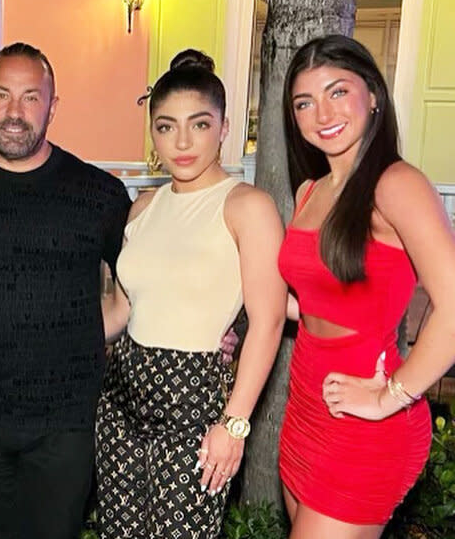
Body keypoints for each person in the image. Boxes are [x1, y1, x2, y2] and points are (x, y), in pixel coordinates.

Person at [0, 42, 132, 539]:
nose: (14, 113)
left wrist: (215, 330)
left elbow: (149, 285)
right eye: (1, 95)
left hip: (68, 418)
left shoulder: (97, 194)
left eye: (31, 97)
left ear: (53, 106)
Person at [97, 50, 286, 538]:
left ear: (224, 128)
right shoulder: (142, 207)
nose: (181, 142)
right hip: (121, 396)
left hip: (196, 399)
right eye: (165, 126)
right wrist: (46, 340)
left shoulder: (247, 207)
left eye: (199, 125)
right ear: (153, 133)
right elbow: (121, 309)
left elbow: (267, 322)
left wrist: (235, 425)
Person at [278, 34, 455, 537]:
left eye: (338, 92)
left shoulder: (398, 184)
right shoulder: (310, 189)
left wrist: (389, 397)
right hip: (307, 405)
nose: (321, 113)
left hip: (367, 422)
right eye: (304, 102)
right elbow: (314, 301)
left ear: (373, 94)